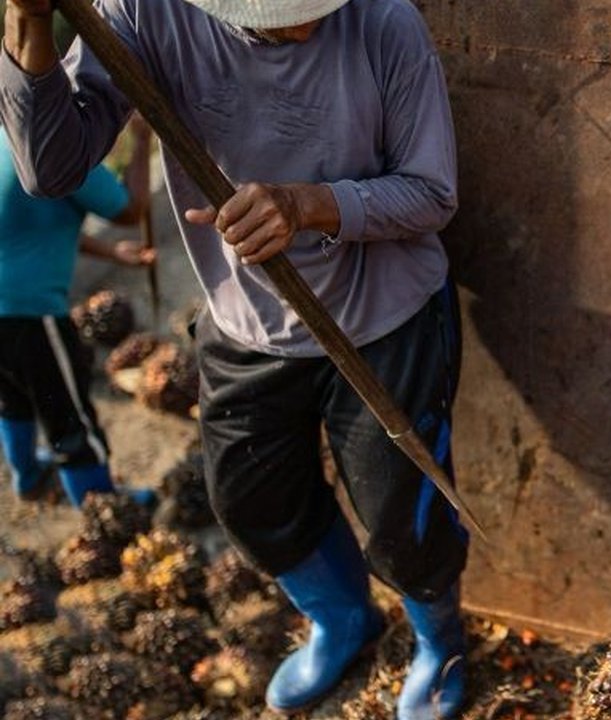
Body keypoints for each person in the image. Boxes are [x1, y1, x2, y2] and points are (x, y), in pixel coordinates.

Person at [0, 0, 469, 717]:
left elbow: (432, 192)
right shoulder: (145, 15)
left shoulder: (383, 22)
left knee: (407, 523)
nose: (309, 21)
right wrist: (28, 26)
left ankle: (440, 646)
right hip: (245, 317)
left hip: (385, 319)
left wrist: (310, 204)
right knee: (252, 503)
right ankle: (342, 622)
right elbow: (52, 169)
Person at [0, 118, 157, 508]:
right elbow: (131, 209)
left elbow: (39, 223)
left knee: (12, 398)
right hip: (31, 314)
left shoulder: (7, 139)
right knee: (68, 414)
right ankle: (103, 510)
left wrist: (112, 253)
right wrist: (141, 140)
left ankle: (29, 479)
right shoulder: (61, 149)